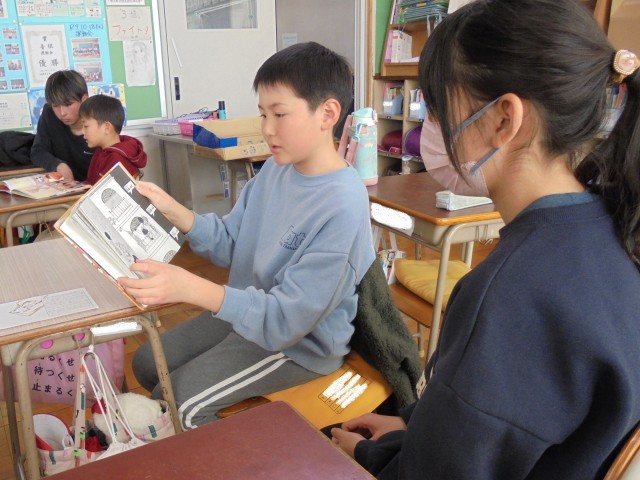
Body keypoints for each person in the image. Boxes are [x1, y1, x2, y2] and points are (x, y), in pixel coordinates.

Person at [331, 1, 640, 478]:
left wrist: (364, 455)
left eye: (437, 109)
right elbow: (501, 420)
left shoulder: (508, 297)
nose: (430, 128)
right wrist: (413, 423)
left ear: (503, 120)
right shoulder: (617, 228)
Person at [119, 41, 376, 428]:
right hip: (250, 313)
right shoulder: (276, 169)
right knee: (146, 363)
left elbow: (287, 320)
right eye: (262, 114)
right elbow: (232, 242)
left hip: (299, 345)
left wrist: (190, 288)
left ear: (327, 114)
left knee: (179, 405)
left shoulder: (343, 204)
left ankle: (244, 450)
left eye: (279, 114)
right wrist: (177, 212)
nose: (267, 129)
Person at [31, 70, 94, 181]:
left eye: (68, 104)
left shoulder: (99, 122)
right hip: (63, 186)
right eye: (55, 105)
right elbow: (38, 151)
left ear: (84, 99)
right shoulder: (49, 114)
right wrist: (59, 165)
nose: (62, 112)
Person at [79, 94, 147, 184]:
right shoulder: (101, 151)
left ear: (106, 127)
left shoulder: (117, 159)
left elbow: (101, 190)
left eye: (86, 126)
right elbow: (92, 183)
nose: (82, 131)